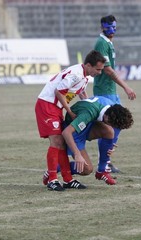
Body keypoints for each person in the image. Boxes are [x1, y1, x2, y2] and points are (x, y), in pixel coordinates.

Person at [35, 50, 106, 191]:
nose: (99, 72)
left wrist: (90, 109)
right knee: (56, 141)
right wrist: (69, 111)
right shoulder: (76, 74)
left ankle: (67, 179)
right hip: (47, 104)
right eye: (98, 69)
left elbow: (81, 93)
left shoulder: (84, 76)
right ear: (88, 65)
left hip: (56, 107)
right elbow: (59, 91)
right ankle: (52, 179)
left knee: (61, 142)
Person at [93, 15, 136, 173]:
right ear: (102, 27)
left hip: (111, 90)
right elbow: (108, 70)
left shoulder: (108, 42)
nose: (112, 30)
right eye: (108, 27)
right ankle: (104, 162)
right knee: (110, 126)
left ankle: (106, 160)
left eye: (114, 27)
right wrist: (126, 87)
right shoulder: (101, 43)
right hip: (104, 91)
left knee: (119, 123)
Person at [61, 96, 134, 185]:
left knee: (109, 131)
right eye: (112, 125)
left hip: (88, 124)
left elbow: (110, 129)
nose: (113, 127)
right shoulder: (88, 113)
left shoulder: (111, 107)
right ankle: (55, 168)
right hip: (75, 132)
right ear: (107, 118)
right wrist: (77, 155)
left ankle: (102, 171)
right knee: (87, 169)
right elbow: (66, 133)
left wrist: (110, 145)